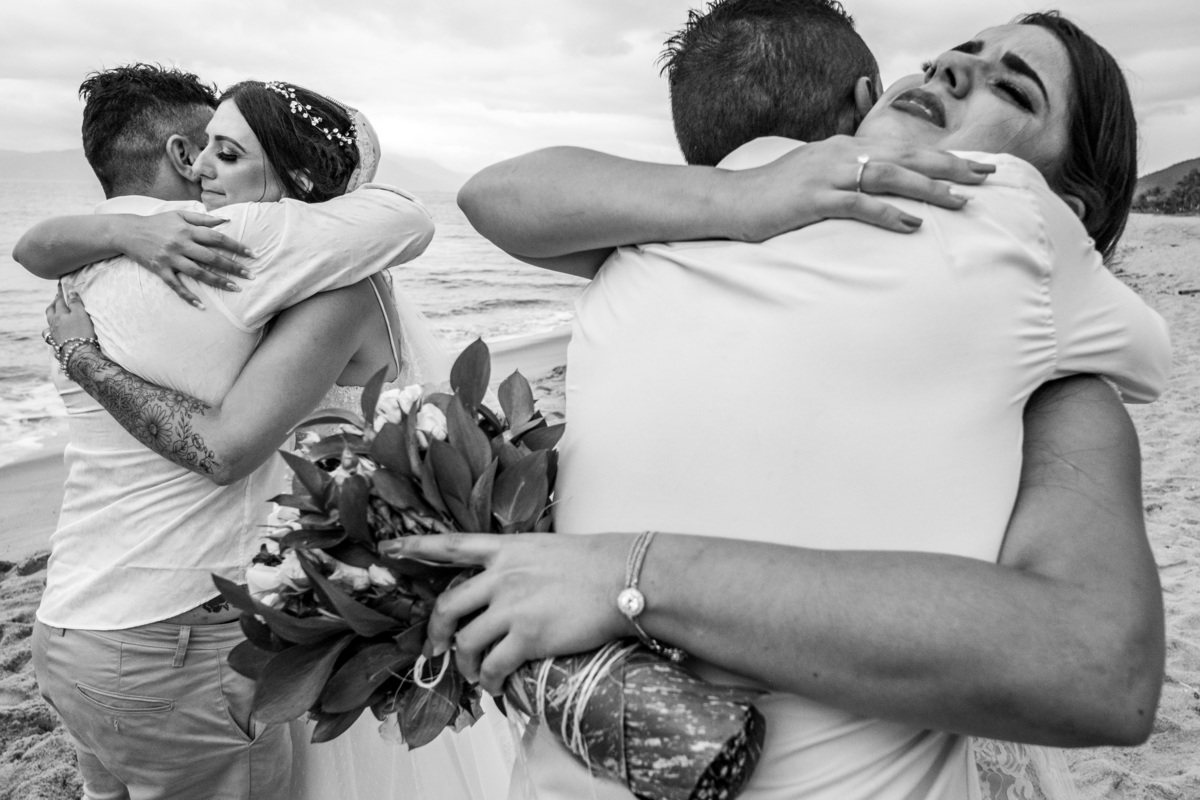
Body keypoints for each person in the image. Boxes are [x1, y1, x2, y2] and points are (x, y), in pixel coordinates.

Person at [394, 7, 1170, 800]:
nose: (949, 72)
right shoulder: (714, 219)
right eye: (943, 59)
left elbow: (1097, 666)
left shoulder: (1026, 242)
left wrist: (628, 575)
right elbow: (497, 195)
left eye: (1013, 86)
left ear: (1066, 205)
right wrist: (748, 196)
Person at [20, 66, 442, 800]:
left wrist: (81, 350)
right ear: (180, 153)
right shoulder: (239, 246)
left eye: (232, 151)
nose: (208, 169)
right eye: (206, 147)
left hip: (74, 628)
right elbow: (408, 218)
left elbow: (32, 246)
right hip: (171, 642)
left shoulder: (93, 263)